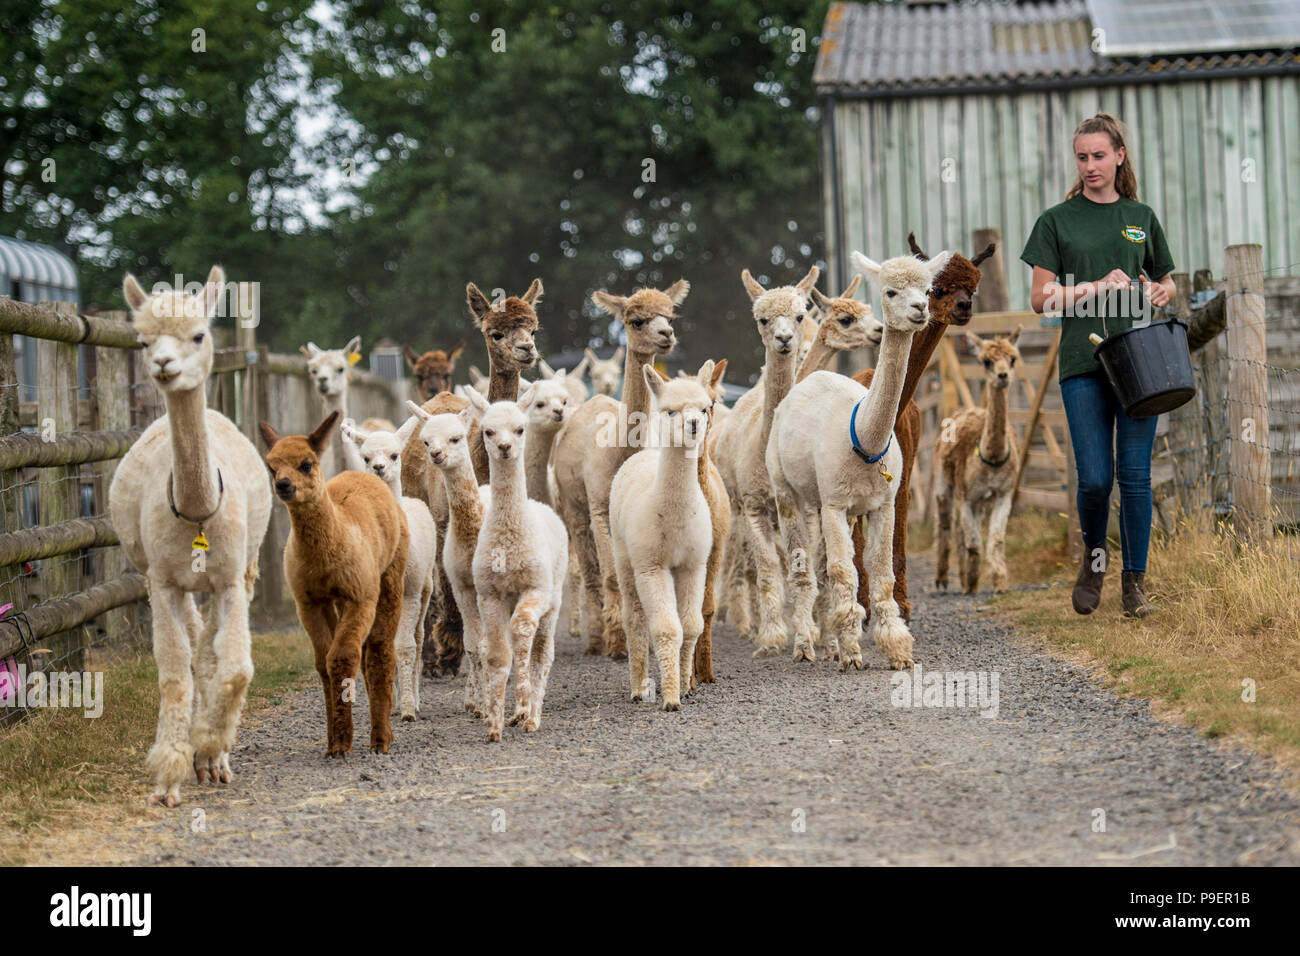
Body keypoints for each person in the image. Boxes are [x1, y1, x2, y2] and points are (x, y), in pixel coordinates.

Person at [1021, 113, 1175, 618]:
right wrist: (1091, 288)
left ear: (1119, 156)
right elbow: (1041, 299)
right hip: (1083, 361)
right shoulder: (1056, 221)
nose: (1090, 166)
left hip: (1140, 363)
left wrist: (1158, 289)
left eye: (1099, 156)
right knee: (1093, 478)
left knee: (1134, 475)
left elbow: (1168, 284)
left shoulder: (1141, 217)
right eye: (1082, 157)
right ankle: (1094, 557)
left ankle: (1135, 586)